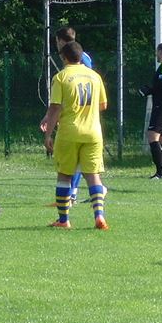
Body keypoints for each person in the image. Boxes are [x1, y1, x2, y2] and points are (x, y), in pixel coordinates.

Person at [40, 40, 109, 230]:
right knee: (93, 175)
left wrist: (48, 135)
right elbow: (103, 105)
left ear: (64, 57)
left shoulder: (61, 77)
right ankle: (99, 216)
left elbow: (55, 108)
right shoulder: (95, 76)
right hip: (93, 132)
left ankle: (63, 220)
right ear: (80, 56)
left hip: (69, 132)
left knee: (64, 175)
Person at [54, 27, 94, 202]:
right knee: (78, 160)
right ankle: (74, 192)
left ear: (61, 41)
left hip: (78, 115)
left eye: (56, 41)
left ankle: (72, 193)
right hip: (82, 115)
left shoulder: (78, 58)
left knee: (74, 159)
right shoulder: (80, 55)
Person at [138, 42, 162, 178]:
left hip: (161, 107)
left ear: (161, 52)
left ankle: (159, 173)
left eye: (157, 51)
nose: (156, 54)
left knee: (152, 136)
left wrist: (148, 90)